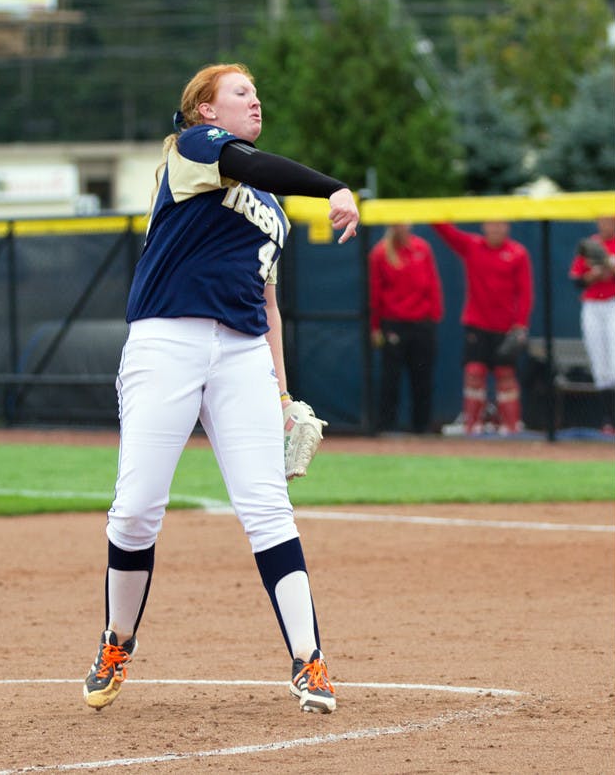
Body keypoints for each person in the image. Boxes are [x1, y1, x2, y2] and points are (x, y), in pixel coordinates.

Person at [83, 63, 359, 715]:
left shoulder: (270, 209)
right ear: (207, 110)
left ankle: (309, 660)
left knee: (267, 509)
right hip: (166, 341)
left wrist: (285, 396)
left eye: (257, 92)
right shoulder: (195, 148)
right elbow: (258, 166)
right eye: (240, 92)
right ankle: (117, 638)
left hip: (240, 356)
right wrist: (335, 188)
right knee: (135, 508)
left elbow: (267, 306)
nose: (254, 99)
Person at [432, 221, 534, 435]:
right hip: (477, 324)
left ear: (507, 227)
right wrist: (433, 208)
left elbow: (525, 291)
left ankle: (511, 426)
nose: (496, 229)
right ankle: (472, 425)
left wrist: (520, 325)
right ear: (484, 227)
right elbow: (446, 231)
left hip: (506, 327)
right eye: (492, 224)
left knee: (505, 374)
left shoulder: (517, 253)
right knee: (474, 372)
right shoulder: (472, 245)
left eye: (500, 225)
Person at [368, 224, 443, 434]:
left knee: (422, 377)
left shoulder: (422, 248)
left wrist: (434, 317)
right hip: (393, 324)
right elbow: (375, 292)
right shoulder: (381, 252)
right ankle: (386, 427)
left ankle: (422, 427)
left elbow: (432, 285)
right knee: (390, 378)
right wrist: (375, 327)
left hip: (422, 323)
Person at [568, 216, 615, 434]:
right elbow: (576, 280)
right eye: (602, 220)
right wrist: (594, 275)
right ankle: (611, 420)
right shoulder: (591, 245)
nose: (604, 224)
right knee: (601, 368)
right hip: (592, 306)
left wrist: (611, 266)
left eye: (609, 220)